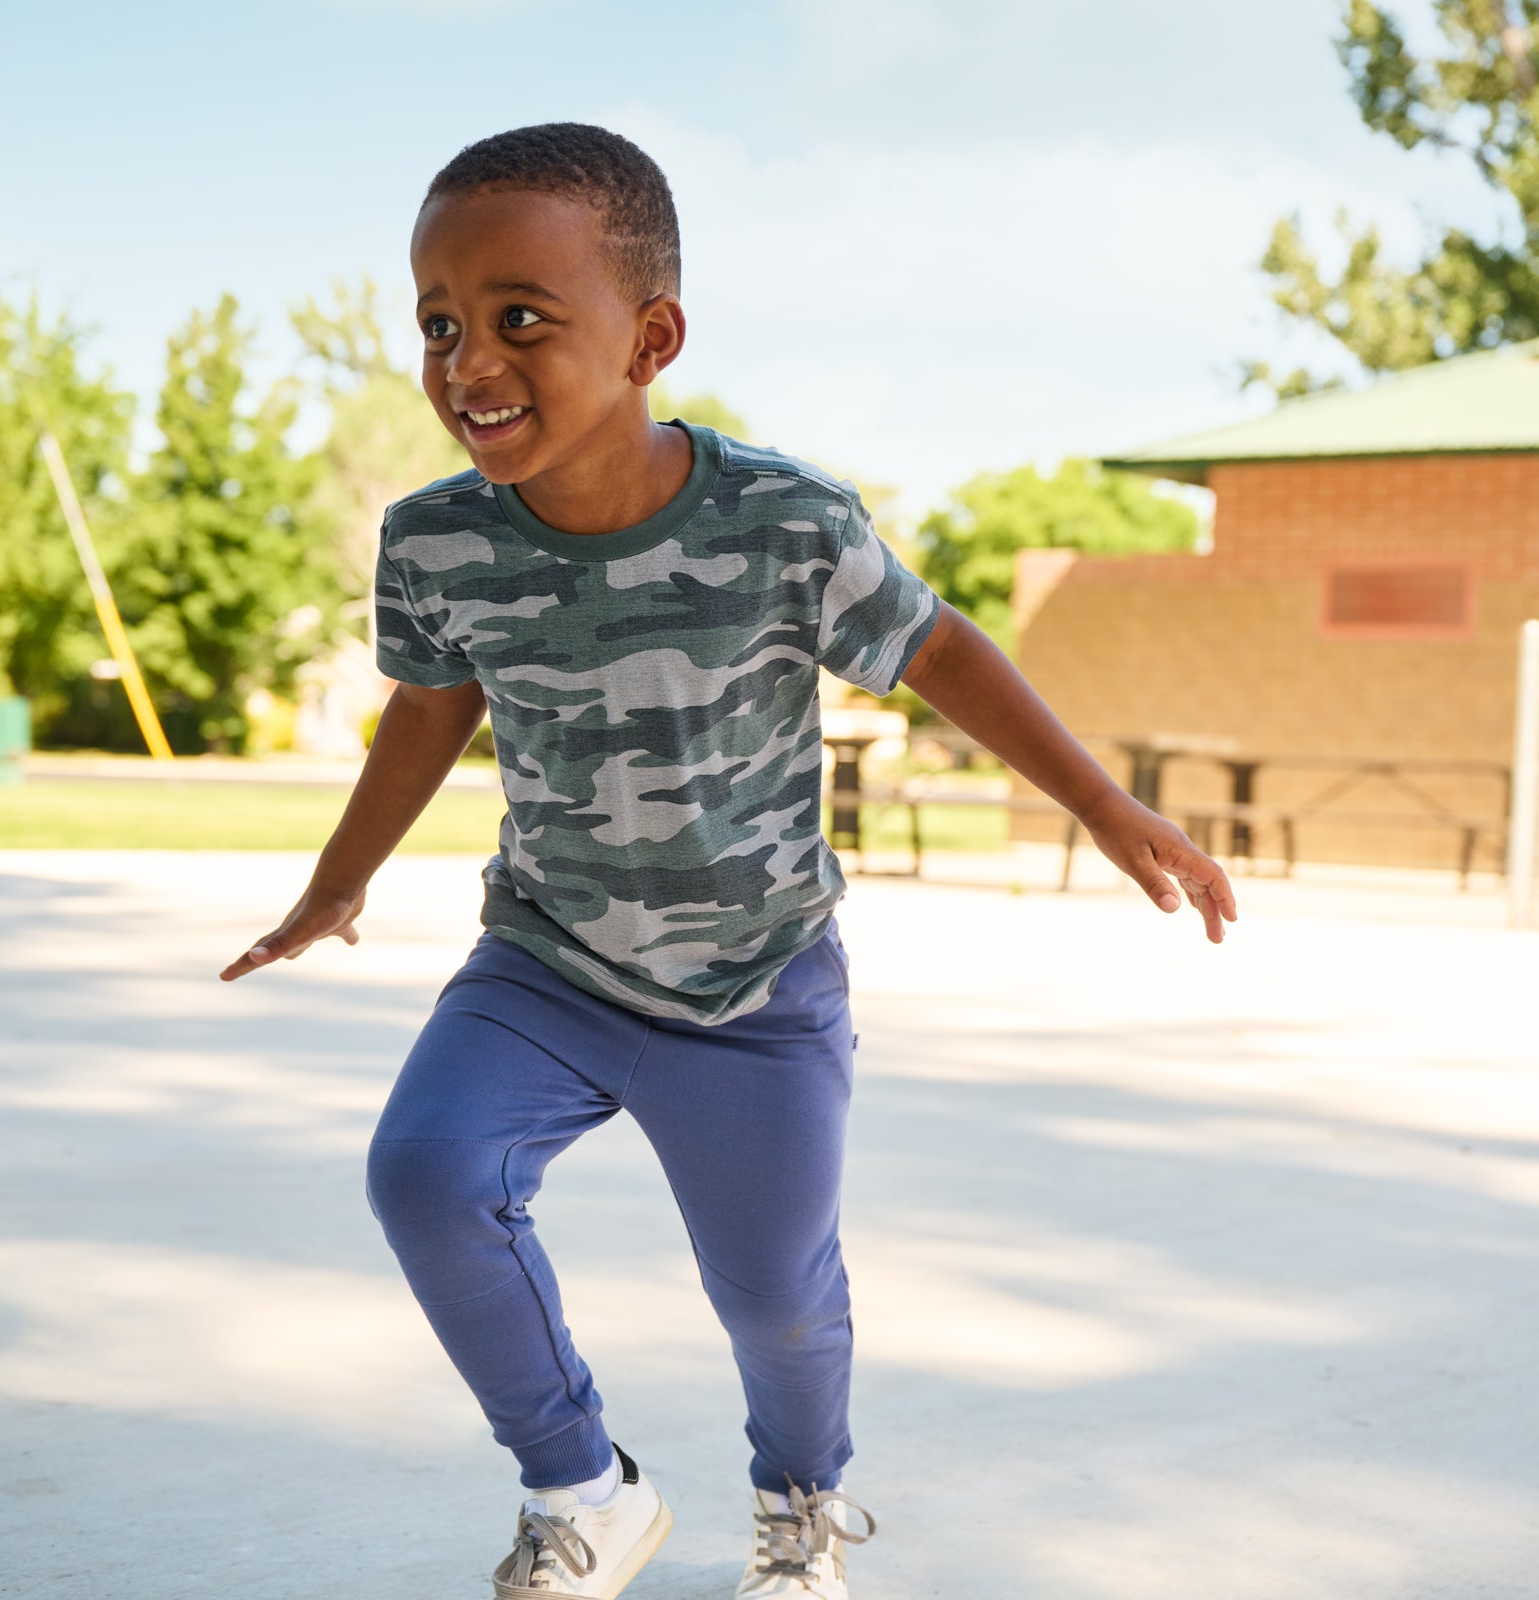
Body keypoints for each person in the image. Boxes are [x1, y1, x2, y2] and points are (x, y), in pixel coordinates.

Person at [220, 122, 1237, 1600]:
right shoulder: (435, 543)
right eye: (439, 323)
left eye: (520, 319)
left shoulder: (781, 521)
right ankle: (582, 1485)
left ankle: (802, 1509)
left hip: (756, 982)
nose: (467, 361)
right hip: (548, 961)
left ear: (651, 337)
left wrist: (1098, 801)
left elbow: (937, 647)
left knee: (775, 1300)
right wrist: (337, 881)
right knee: (426, 1172)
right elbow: (427, 710)